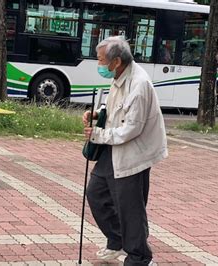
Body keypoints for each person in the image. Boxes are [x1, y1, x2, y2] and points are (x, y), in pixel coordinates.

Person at [82, 36, 168, 266]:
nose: (98, 64)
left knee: (130, 207)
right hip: (114, 148)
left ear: (116, 61)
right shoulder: (120, 74)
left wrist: (97, 135)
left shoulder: (139, 85)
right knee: (96, 193)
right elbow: (114, 107)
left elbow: (131, 129)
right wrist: (99, 116)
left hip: (134, 151)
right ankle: (117, 239)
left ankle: (140, 257)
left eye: (101, 60)